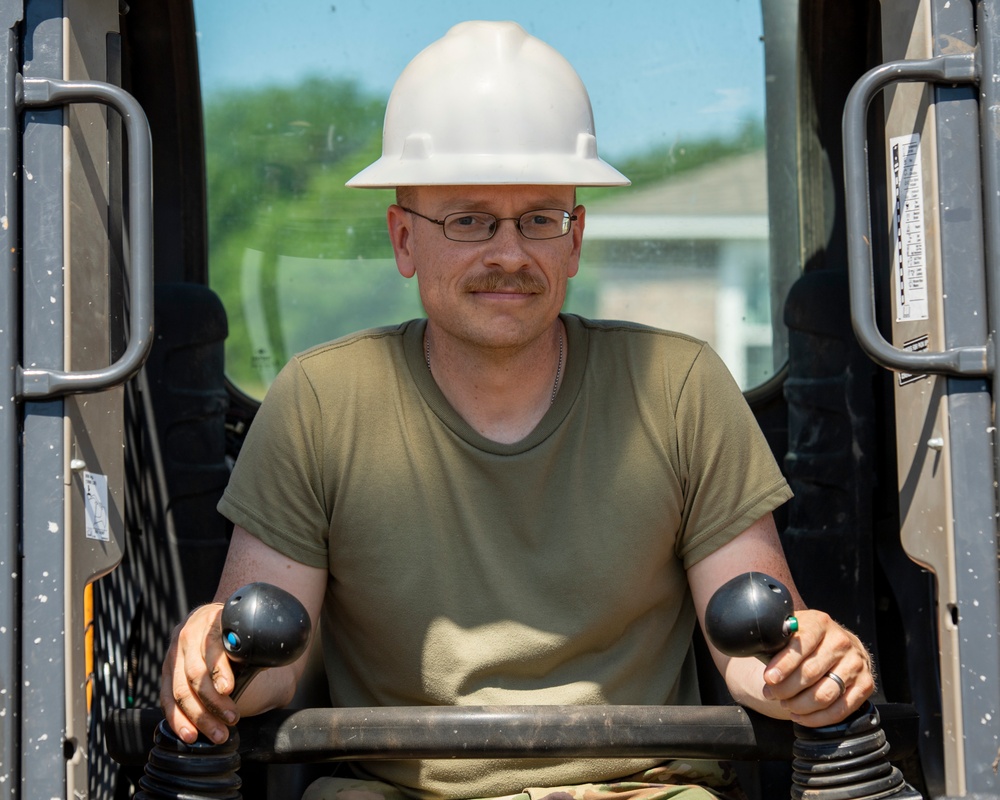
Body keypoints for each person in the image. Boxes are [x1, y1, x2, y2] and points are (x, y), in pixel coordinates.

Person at [161, 20, 875, 800]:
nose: (509, 252)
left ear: (575, 240)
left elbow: (754, 651)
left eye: (541, 218)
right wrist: (215, 667)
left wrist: (810, 669)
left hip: (642, 789)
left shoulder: (680, 389)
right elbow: (270, 659)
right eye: (468, 220)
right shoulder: (317, 403)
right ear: (404, 240)